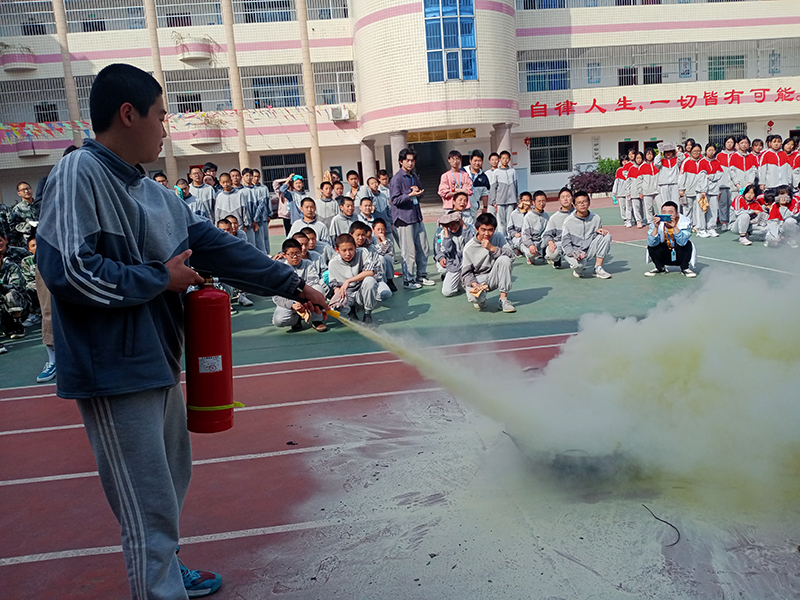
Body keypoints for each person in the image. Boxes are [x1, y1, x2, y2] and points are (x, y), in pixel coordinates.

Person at [37, 64, 329, 600]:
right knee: (145, 503)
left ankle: (167, 569)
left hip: (157, 360)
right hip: (112, 370)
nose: (166, 127)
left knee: (170, 484)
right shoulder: (79, 173)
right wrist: (159, 278)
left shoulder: (155, 195)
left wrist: (292, 283)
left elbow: (218, 247)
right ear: (129, 114)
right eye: (161, 114)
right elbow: (69, 272)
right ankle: (160, 587)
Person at [389, 148, 435, 289]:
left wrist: (419, 193)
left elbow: (419, 193)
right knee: (409, 251)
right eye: (407, 160)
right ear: (401, 161)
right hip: (404, 219)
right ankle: (408, 280)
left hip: (416, 216)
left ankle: (421, 276)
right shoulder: (397, 178)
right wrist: (409, 194)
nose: (410, 163)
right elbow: (394, 199)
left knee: (423, 248)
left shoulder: (414, 176)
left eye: (412, 160)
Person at [460, 213, 515, 312]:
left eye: (490, 230)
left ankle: (503, 299)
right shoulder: (469, 248)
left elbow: (512, 256)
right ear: (477, 229)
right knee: (474, 298)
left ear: (494, 229)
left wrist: (493, 248)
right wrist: (474, 283)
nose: (487, 233)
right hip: (478, 278)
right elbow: (466, 273)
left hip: (494, 275)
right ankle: (480, 300)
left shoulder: (498, 237)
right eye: (483, 230)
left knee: (505, 259)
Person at [271, 239, 327, 332]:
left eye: (298, 253)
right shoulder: (279, 269)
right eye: (291, 254)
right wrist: (292, 304)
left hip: (307, 299)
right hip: (289, 301)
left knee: (319, 289)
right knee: (278, 320)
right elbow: (276, 295)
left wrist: (304, 299)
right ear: (284, 255)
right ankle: (296, 319)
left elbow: (313, 282)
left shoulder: (308, 263)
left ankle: (317, 320)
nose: (295, 257)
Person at [328, 233, 379, 325]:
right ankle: (350, 311)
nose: (348, 253)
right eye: (344, 250)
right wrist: (341, 300)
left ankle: (367, 313)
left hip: (361, 291)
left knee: (370, 281)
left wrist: (348, 281)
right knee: (337, 308)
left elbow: (370, 272)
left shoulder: (362, 252)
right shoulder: (333, 263)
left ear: (355, 247)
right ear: (337, 250)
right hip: (347, 294)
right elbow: (335, 287)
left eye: (351, 249)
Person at [561, 191, 612, 279]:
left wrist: (598, 231)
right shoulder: (568, 221)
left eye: (585, 202)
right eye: (579, 203)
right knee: (580, 266)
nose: (582, 204)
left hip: (588, 250)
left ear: (589, 203)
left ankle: (598, 268)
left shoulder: (596, 218)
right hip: (574, 252)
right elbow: (565, 244)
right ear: (574, 205)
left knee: (606, 235)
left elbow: (596, 238)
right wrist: (574, 253)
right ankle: (578, 269)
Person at [644, 200, 696, 277]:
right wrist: (656, 227)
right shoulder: (656, 223)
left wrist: (675, 227)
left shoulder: (685, 223)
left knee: (687, 244)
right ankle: (660, 267)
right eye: (664, 212)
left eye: (670, 212)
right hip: (665, 252)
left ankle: (685, 268)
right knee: (652, 246)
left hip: (678, 252)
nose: (667, 214)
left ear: (677, 214)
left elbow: (682, 242)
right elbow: (651, 243)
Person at [435, 211, 475, 298]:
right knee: (447, 292)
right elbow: (445, 249)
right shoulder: (441, 234)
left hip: (469, 263)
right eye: (449, 224)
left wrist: (463, 226)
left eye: (454, 224)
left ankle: (465, 281)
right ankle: (458, 282)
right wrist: (446, 231)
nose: (452, 227)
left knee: (473, 293)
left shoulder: (469, 228)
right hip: (454, 264)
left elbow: (471, 243)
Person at [0, 230, 29, 345]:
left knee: (11, 294)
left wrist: (2, 287)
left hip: (20, 299)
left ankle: (17, 324)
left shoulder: (13, 263)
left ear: (5, 240)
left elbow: (17, 286)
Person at [350, 221, 392, 301]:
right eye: (358, 235)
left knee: (386, 293)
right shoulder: (349, 250)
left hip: (371, 280)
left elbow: (377, 270)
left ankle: (370, 296)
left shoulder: (371, 248)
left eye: (363, 235)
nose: (361, 238)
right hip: (353, 283)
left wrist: (371, 283)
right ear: (351, 235)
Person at [541, 187, 574, 268]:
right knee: (552, 253)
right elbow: (546, 235)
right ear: (559, 200)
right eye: (563, 197)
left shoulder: (578, 214)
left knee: (579, 266)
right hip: (560, 243)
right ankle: (556, 258)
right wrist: (550, 242)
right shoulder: (554, 218)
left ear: (572, 198)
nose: (565, 199)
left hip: (575, 244)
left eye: (568, 196)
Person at [489, 150, 517, 236]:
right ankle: (502, 238)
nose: (505, 160)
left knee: (509, 220)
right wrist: (494, 202)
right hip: (500, 201)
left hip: (511, 200)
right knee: (501, 222)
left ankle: (510, 238)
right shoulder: (496, 172)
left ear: (509, 159)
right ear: (500, 159)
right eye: (503, 158)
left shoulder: (513, 171)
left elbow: (516, 186)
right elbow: (493, 188)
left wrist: (515, 199)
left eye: (507, 158)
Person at [697, 143, 722, 238]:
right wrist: (703, 190)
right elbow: (702, 177)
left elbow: (719, 175)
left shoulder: (717, 162)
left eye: (713, 150)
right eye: (709, 150)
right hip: (702, 191)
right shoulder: (702, 162)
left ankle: (711, 228)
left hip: (714, 190)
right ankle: (701, 229)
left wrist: (710, 176)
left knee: (713, 209)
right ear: (705, 151)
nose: (711, 152)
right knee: (702, 210)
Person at [520, 190, 549, 265]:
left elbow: (549, 232)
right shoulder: (528, 217)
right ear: (533, 202)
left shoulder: (546, 216)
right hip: (532, 242)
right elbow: (525, 235)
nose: (541, 204)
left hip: (542, 242)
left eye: (543, 201)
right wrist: (530, 245)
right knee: (530, 253)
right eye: (539, 201)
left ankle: (545, 255)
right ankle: (530, 258)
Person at [679, 143, 705, 225]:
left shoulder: (703, 162)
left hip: (699, 190)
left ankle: (697, 225)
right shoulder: (686, 162)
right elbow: (682, 176)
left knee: (698, 208)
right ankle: (687, 224)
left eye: (698, 151)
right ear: (691, 151)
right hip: (688, 189)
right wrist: (681, 188)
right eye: (694, 151)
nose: (696, 153)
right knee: (687, 208)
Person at [462, 149, 491, 219]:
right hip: (461, 206)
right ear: (470, 161)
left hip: (474, 207)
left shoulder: (483, 177)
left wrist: (485, 207)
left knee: (471, 226)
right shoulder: (462, 172)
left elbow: (485, 193)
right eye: (475, 160)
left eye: (479, 161)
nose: (477, 163)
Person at [9, 181, 39, 247]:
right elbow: (13, 226)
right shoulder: (17, 209)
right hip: (26, 241)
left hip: (42, 236)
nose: (26, 191)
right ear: (19, 193)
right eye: (23, 190)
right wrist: (29, 225)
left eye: (28, 188)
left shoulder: (40, 205)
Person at [717, 135, 736, 231]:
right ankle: (724, 221)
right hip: (722, 184)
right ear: (725, 143)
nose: (730, 144)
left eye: (732, 142)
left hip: (733, 185)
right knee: (723, 203)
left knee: (732, 203)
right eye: (728, 142)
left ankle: (732, 221)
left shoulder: (736, 155)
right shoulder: (719, 155)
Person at [637, 148, 660, 225]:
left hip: (658, 190)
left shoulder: (657, 164)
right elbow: (639, 181)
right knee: (648, 208)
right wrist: (640, 191)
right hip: (647, 191)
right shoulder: (642, 166)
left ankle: (662, 220)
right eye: (647, 154)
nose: (649, 156)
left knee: (661, 206)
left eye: (651, 154)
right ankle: (650, 222)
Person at [655, 142, 681, 208]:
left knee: (675, 202)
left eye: (670, 151)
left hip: (675, 184)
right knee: (665, 202)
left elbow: (682, 158)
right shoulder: (662, 161)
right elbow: (656, 163)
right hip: (664, 185)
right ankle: (666, 217)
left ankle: (675, 217)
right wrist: (660, 153)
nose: (668, 153)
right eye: (666, 152)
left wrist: (677, 151)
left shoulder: (676, 160)